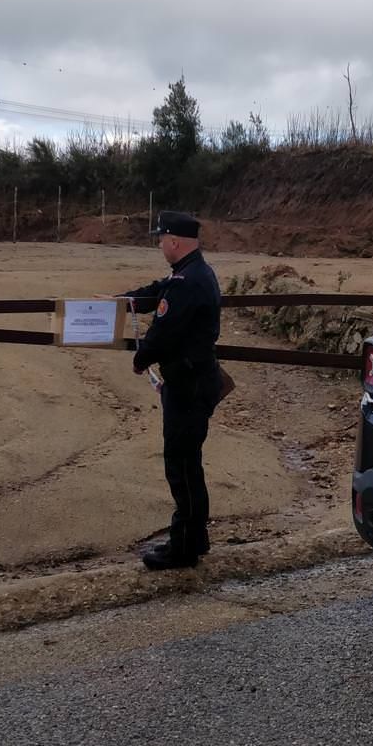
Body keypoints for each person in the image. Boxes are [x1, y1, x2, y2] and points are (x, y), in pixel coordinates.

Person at [119, 210, 223, 569]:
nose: (160, 244)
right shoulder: (193, 273)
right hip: (194, 382)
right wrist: (123, 300)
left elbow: (163, 332)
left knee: (181, 465)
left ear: (174, 241)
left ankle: (184, 548)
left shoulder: (187, 282)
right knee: (187, 463)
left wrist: (140, 359)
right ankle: (195, 538)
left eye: (162, 239)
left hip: (188, 387)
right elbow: (157, 292)